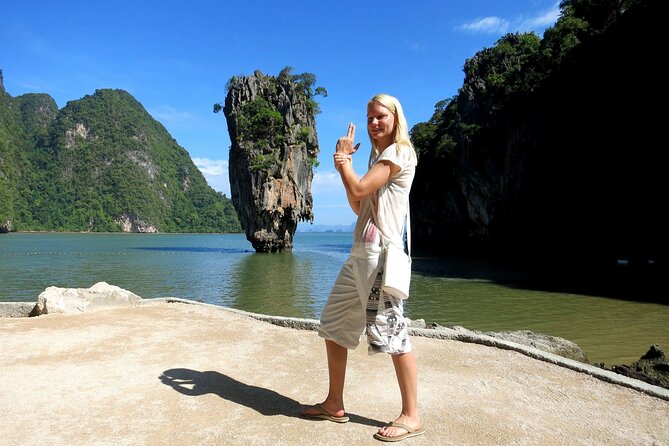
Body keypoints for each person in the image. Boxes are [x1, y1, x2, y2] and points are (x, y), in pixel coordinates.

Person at [300, 93, 424, 442]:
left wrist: (342, 161)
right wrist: (346, 166)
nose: (373, 123)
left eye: (380, 116)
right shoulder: (376, 158)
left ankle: (412, 415)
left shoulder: (399, 153)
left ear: (395, 118)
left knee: (393, 332)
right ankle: (334, 404)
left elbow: (356, 184)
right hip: (360, 253)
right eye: (369, 117)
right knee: (333, 323)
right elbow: (358, 203)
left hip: (380, 256)